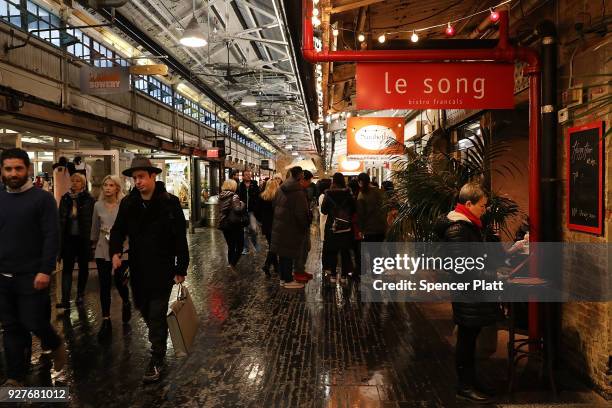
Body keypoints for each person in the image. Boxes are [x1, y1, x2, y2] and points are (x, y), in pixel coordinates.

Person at [110, 157, 189, 383]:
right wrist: (115, 251)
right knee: (143, 308)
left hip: (162, 268)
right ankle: (159, 339)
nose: (138, 182)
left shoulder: (169, 202)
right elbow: (118, 230)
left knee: (156, 313)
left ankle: (156, 357)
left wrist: (181, 267)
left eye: (142, 177)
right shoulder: (128, 204)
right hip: (138, 268)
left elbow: (180, 238)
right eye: (135, 178)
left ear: (154, 176)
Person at [0, 148, 66, 385]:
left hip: (32, 275)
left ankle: (55, 344)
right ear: (2, 171)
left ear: (28, 169)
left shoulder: (42, 199)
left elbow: (52, 236)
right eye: (8, 169)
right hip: (3, 276)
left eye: (18, 168)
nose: (13, 173)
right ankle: (15, 378)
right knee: (11, 328)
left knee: (34, 321)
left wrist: (45, 269)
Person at [436, 182, 498, 403]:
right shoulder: (458, 229)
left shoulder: (469, 225)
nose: (485, 209)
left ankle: (472, 380)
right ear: (468, 203)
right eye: (482, 206)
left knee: (471, 337)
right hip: (467, 293)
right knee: (466, 338)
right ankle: (464, 385)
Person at [91, 175, 131, 341]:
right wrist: (93, 245)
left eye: (111, 185)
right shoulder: (97, 206)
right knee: (104, 284)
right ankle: (106, 319)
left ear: (117, 188)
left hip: (121, 248)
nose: (107, 188)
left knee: (121, 282)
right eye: (105, 185)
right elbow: (94, 228)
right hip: (102, 248)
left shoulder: (124, 205)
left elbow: (129, 228)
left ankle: (126, 301)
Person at [57, 172, 95, 310]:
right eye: (72, 180)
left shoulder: (88, 199)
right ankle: (65, 299)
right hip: (68, 239)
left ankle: (80, 294)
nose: (74, 183)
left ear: (83, 184)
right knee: (67, 269)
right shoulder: (65, 198)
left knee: (83, 268)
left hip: (83, 239)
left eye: (77, 181)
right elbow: (60, 219)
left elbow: (91, 219)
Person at [270, 166, 309, 289]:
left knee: (283, 253)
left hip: (280, 224)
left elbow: (274, 204)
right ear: (301, 175)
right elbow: (301, 214)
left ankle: (283, 278)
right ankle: (288, 280)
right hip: (291, 226)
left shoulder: (281, 188)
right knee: (288, 253)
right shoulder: (298, 192)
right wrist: (305, 226)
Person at [321, 173, 355, 284]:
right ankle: (344, 276)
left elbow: (324, 211)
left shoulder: (328, 194)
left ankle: (333, 275)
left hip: (332, 226)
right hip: (345, 226)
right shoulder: (348, 194)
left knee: (332, 251)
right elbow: (354, 209)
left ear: (333, 181)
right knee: (345, 251)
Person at [218, 179, 246, 269]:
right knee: (240, 246)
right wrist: (242, 204)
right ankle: (232, 264)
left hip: (224, 224)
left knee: (231, 246)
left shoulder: (220, 196)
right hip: (235, 224)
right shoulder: (234, 196)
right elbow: (238, 210)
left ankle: (230, 263)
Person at [293, 170, 315, 283]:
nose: (310, 182)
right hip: (300, 225)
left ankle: (301, 269)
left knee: (305, 247)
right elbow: (299, 211)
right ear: (303, 179)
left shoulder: (303, 191)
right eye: (309, 180)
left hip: (304, 224)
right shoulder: (298, 192)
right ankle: (298, 271)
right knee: (301, 249)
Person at [258, 175, 281, 276]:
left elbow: (258, 212)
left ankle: (276, 267)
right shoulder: (278, 197)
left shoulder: (262, 196)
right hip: (275, 225)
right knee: (274, 247)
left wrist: (262, 221)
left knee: (272, 245)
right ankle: (267, 265)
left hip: (266, 225)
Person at [238, 170, 260, 255]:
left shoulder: (254, 185)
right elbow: (239, 197)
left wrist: (256, 208)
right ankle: (245, 248)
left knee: (253, 229)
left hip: (252, 211)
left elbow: (258, 197)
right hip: (243, 211)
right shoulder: (241, 185)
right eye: (246, 175)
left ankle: (255, 244)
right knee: (245, 231)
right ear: (243, 176)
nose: (248, 176)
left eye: (249, 175)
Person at [317, 178, 332, 273]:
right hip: (325, 222)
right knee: (326, 246)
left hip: (325, 222)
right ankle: (326, 266)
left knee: (327, 245)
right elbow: (324, 212)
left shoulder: (323, 196)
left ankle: (327, 266)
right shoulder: (323, 196)